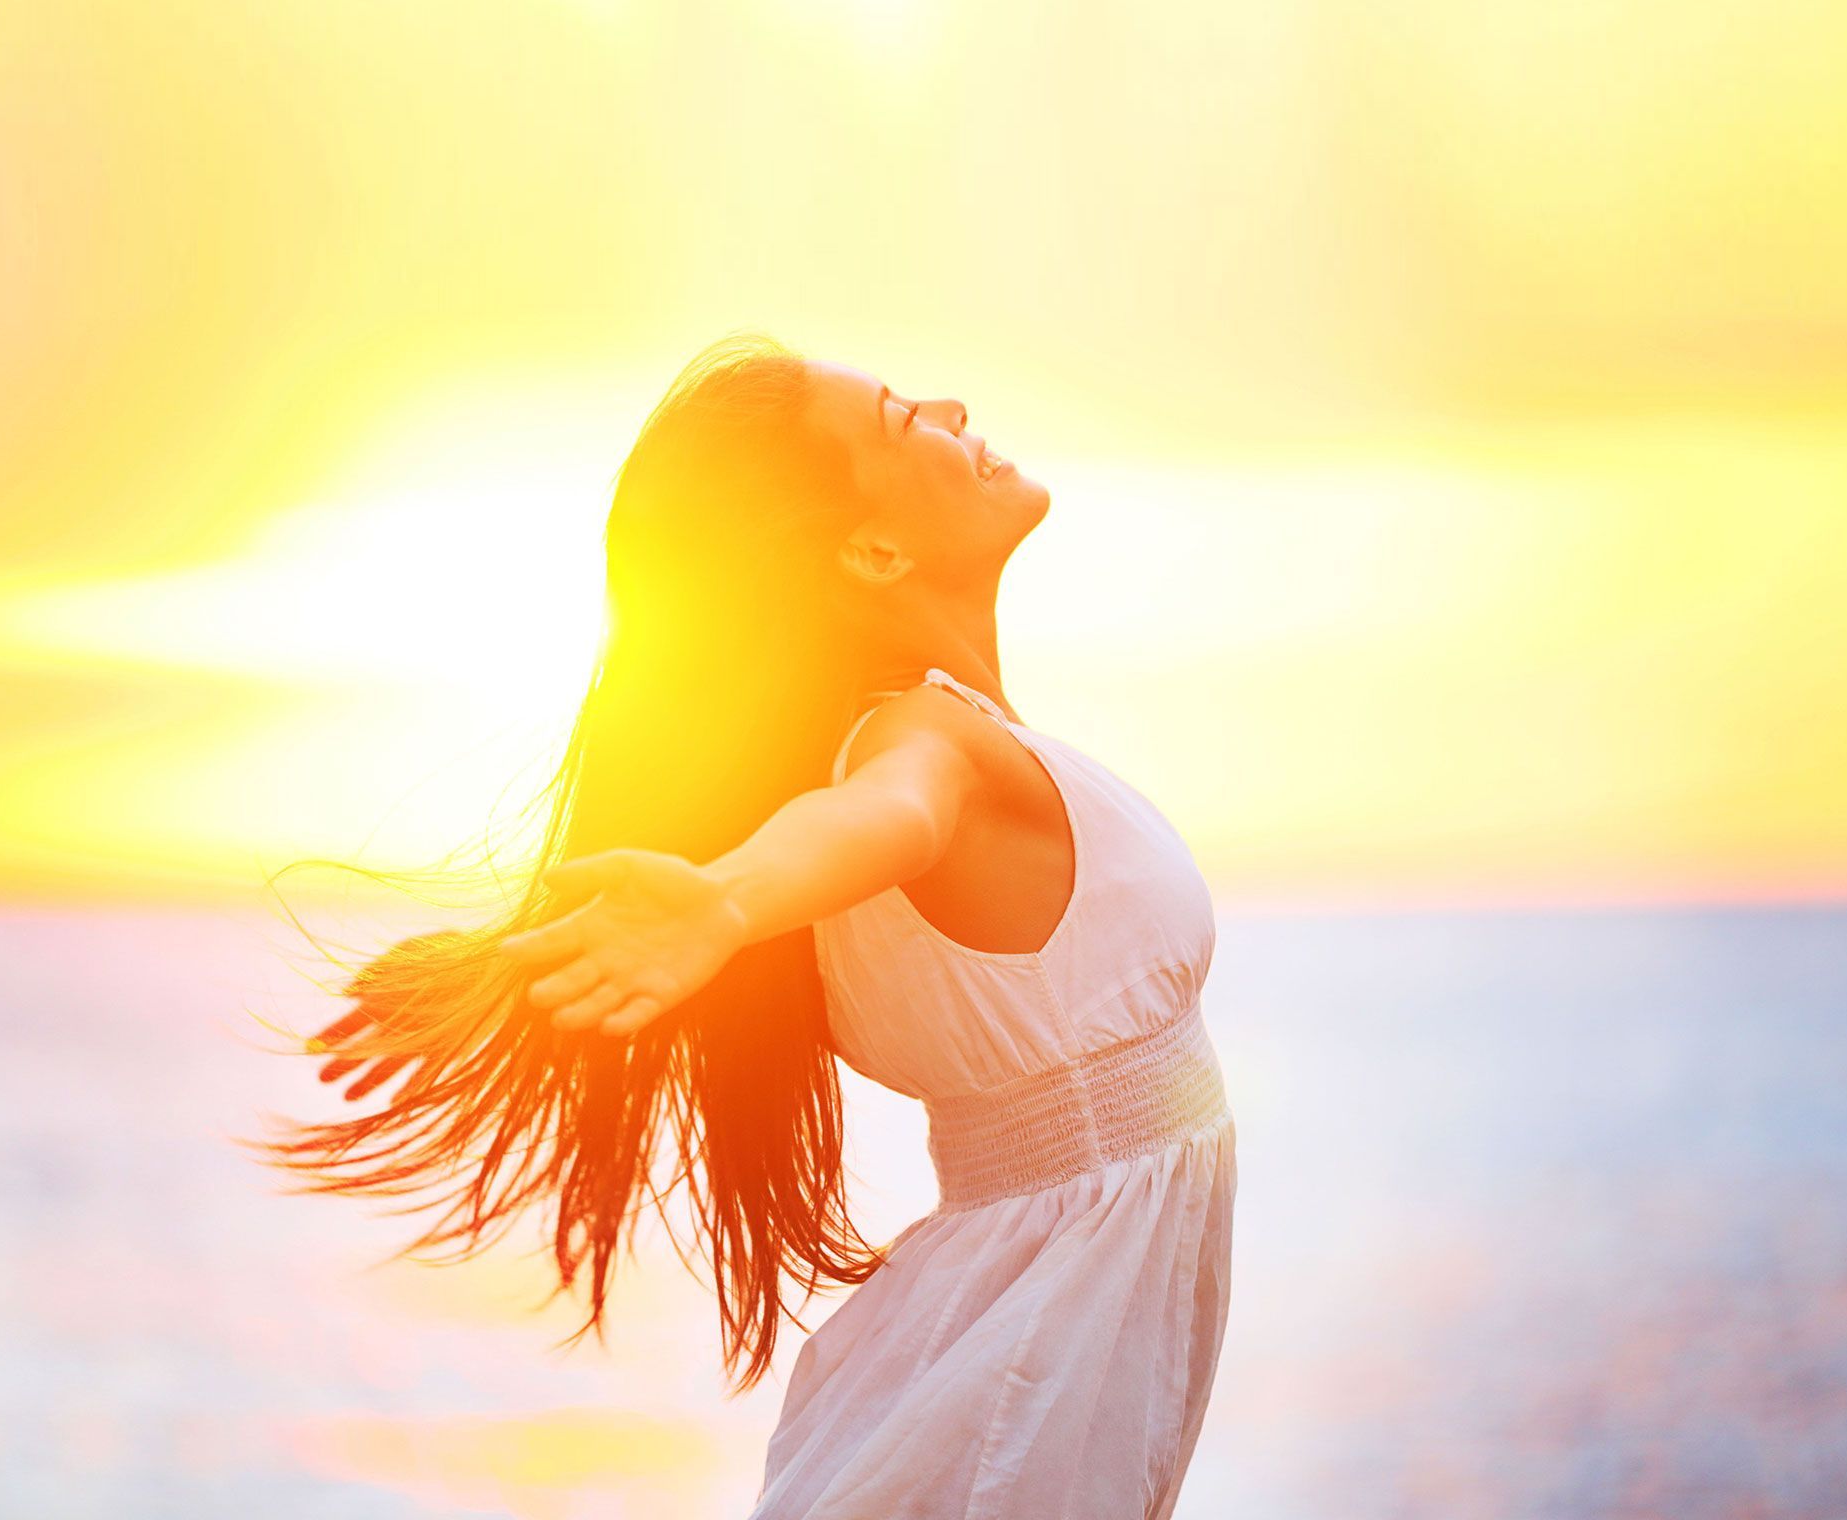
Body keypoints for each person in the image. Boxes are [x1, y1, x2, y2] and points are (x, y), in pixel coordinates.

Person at [259, 332, 1235, 1518]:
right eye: (903, 417)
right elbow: (889, 813)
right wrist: (725, 899)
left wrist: (516, 978)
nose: (949, 404)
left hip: (1012, 1343)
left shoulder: (914, 747)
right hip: (1020, 1370)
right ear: (873, 549)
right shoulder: (923, 745)